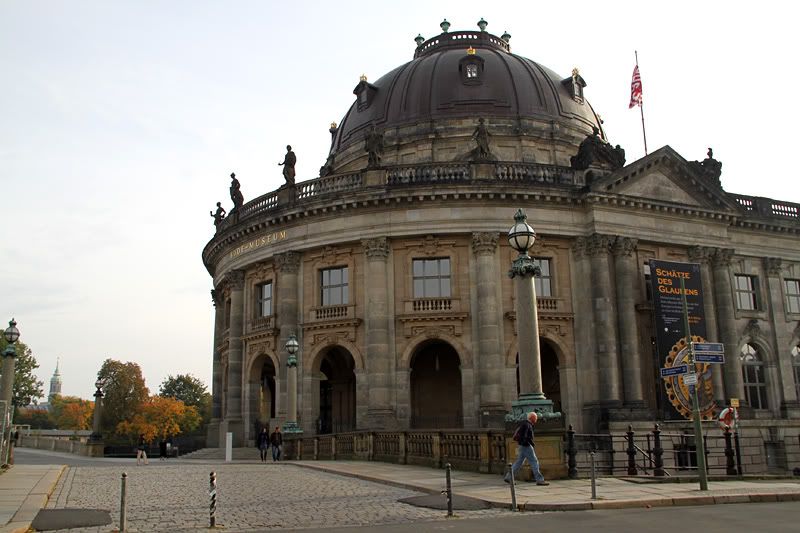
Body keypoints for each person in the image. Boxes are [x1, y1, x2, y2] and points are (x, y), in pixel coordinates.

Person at [504, 411, 549, 485]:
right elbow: (525, 436)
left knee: (518, 462)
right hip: (526, 446)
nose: (536, 420)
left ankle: (509, 477)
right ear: (532, 418)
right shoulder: (527, 425)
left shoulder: (524, 424)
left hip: (522, 445)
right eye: (536, 418)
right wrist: (529, 443)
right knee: (534, 462)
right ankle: (539, 480)